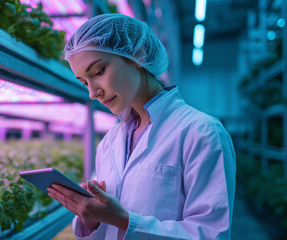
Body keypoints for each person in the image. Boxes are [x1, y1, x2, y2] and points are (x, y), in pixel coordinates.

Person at [47, 13, 236, 240]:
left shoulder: (201, 132)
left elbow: (213, 233)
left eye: (98, 72)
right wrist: (91, 220)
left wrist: (124, 220)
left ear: (137, 55)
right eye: (85, 82)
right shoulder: (109, 143)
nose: (92, 92)